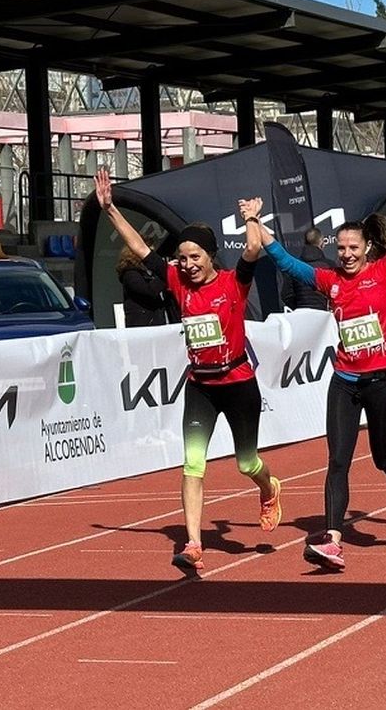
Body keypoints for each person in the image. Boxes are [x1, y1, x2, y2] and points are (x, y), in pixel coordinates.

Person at [93, 169, 283, 575]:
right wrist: (109, 208)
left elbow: (253, 249)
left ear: (211, 256)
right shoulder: (178, 283)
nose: (187, 264)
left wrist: (252, 217)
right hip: (201, 386)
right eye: (182, 258)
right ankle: (194, 542)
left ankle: (268, 488)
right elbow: (140, 247)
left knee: (246, 463)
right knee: (192, 463)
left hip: (238, 383)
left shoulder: (234, 283)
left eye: (195, 257)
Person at [248, 153, 386, 570]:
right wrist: (256, 222)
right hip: (345, 381)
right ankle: (331, 538)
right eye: (341, 248)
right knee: (338, 459)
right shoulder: (329, 281)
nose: (346, 254)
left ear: (366, 249)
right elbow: (288, 263)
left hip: (384, 382)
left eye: (353, 248)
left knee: (383, 457)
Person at [117, 242, 175, 327]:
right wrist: (166, 272)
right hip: (143, 325)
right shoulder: (130, 274)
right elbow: (149, 291)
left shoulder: (149, 273)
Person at [280, 226, 334, 311]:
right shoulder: (330, 265)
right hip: (326, 316)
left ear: (304, 242)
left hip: (303, 317)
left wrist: (300, 308)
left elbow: (286, 295)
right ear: (322, 243)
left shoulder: (294, 266)